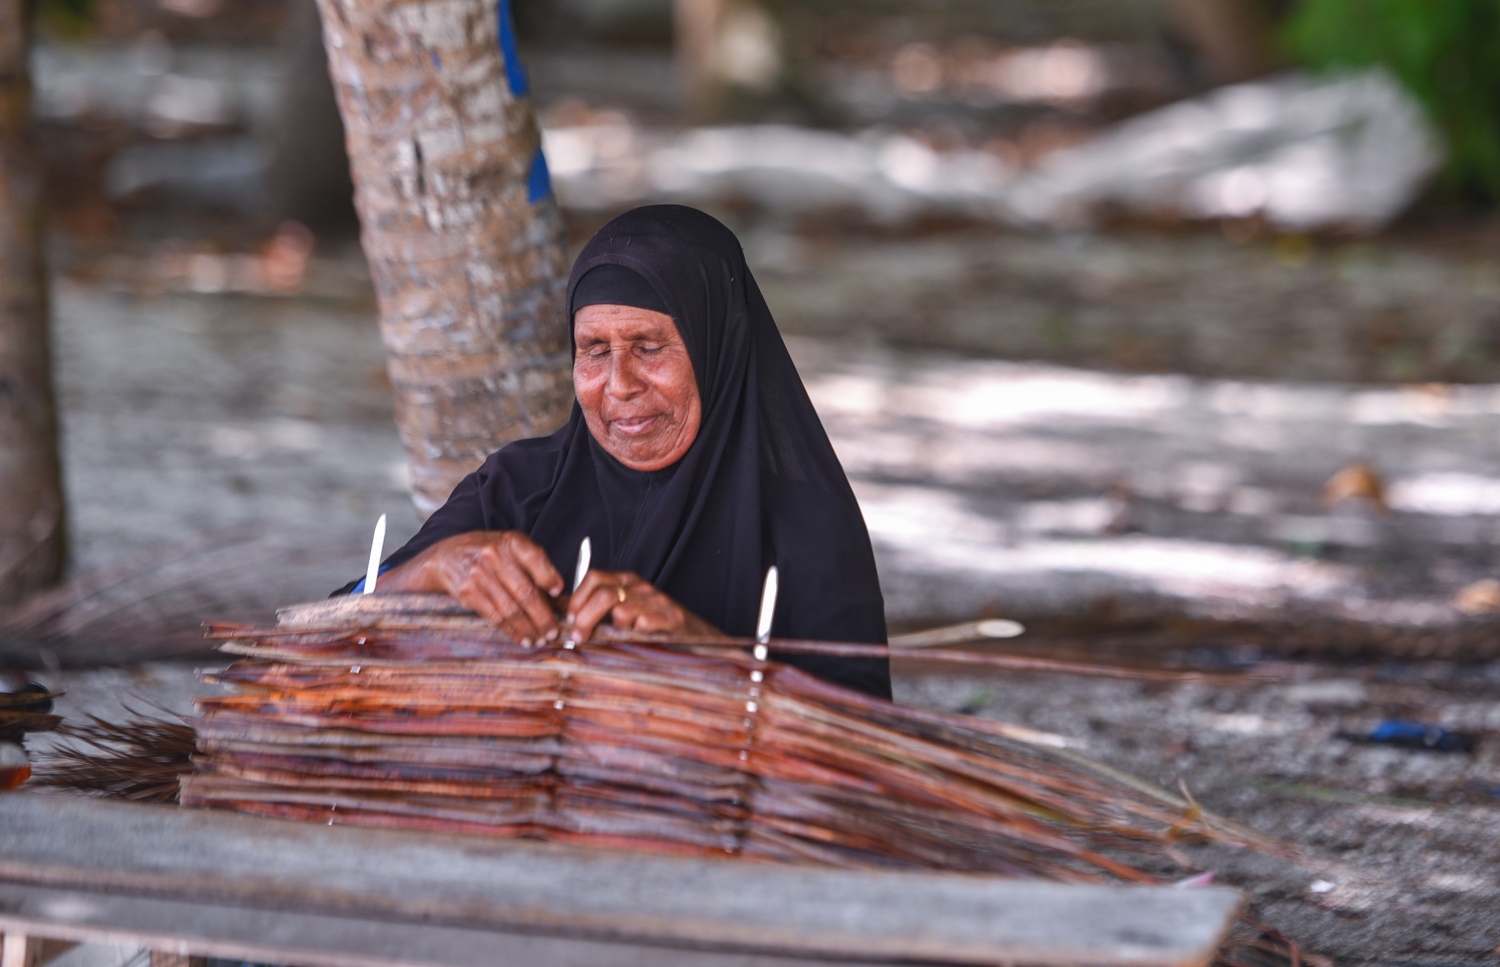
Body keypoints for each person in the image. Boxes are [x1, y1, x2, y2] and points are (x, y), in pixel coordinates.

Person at [350, 205, 890, 698]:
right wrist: (429, 570)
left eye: (648, 348)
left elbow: (870, 750)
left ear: (716, 350)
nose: (619, 384)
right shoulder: (520, 489)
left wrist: (710, 657)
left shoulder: (804, 526)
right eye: (594, 351)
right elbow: (329, 629)